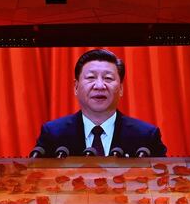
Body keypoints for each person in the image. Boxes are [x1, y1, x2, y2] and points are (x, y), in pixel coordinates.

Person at [33, 49, 167, 157]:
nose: (99, 86)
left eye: (108, 78)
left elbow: (164, 178)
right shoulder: (53, 133)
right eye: (91, 77)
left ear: (121, 88)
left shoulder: (145, 136)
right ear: (76, 87)